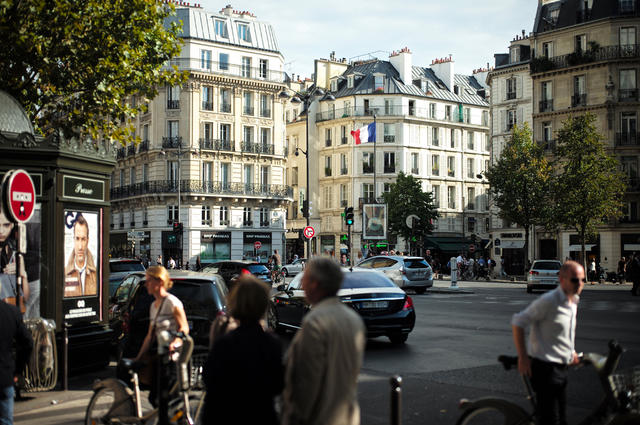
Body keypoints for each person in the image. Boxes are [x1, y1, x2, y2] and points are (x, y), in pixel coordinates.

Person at [282, 258, 366, 425]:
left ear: (315, 284)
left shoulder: (315, 322)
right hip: (347, 416)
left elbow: (307, 381)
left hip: (319, 417)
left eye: (304, 279)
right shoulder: (353, 319)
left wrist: (294, 416)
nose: (302, 285)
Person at [511, 260, 585, 425]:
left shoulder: (573, 300)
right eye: (575, 280)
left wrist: (571, 352)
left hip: (561, 367)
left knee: (562, 418)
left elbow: (564, 333)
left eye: (582, 280)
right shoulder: (549, 301)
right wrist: (523, 357)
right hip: (544, 368)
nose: (579, 284)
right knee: (550, 419)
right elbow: (518, 321)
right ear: (562, 279)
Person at [203, 276, 283, 425]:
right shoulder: (272, 344)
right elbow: (278, 384)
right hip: (262, 415)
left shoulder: (225, 344)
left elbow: (209, 379)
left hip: (227, 415)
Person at [134, 266, 189, 405]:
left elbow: (184, 328)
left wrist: (175, 342)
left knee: (167, 400)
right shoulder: (153, 306)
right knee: (154, 398)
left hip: (172, 359)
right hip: (159, 357)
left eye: (149, 281)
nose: (146, 284)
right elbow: (150, 336)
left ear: (159, 281)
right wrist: (139, 358)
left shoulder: (172, 302)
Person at [0, 301, 33, 425]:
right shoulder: (11, 312)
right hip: (5, 376)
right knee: (5, 420)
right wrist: (18, 371)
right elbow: (28, 343)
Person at [0, 210, 30, 310]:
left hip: (12, 315)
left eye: (6, 225)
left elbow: (25, 298)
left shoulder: (14, 251)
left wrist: (22, 274)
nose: (1, 231)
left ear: (12, 225)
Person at [63, 214, 97, 297]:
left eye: (83, 239)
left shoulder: (96, 274)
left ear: (87, 241)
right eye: (77, 239)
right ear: (73, 240)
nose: (80, 246)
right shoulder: (64, 273)